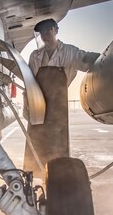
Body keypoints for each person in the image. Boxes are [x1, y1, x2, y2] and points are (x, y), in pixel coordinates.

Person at [23, 18, 100, 179]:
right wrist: (26, 105)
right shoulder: (35, 56)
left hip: (58, 109)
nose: (45, 35)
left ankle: (58, 180)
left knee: (58, 148)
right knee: (35, 146)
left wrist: (111, 55)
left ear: (56, 30)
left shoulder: (69, 52)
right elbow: (28, 83)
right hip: (38, 106)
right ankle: (33, 178)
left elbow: (88, 59)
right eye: (42, 32)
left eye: (48, 31)